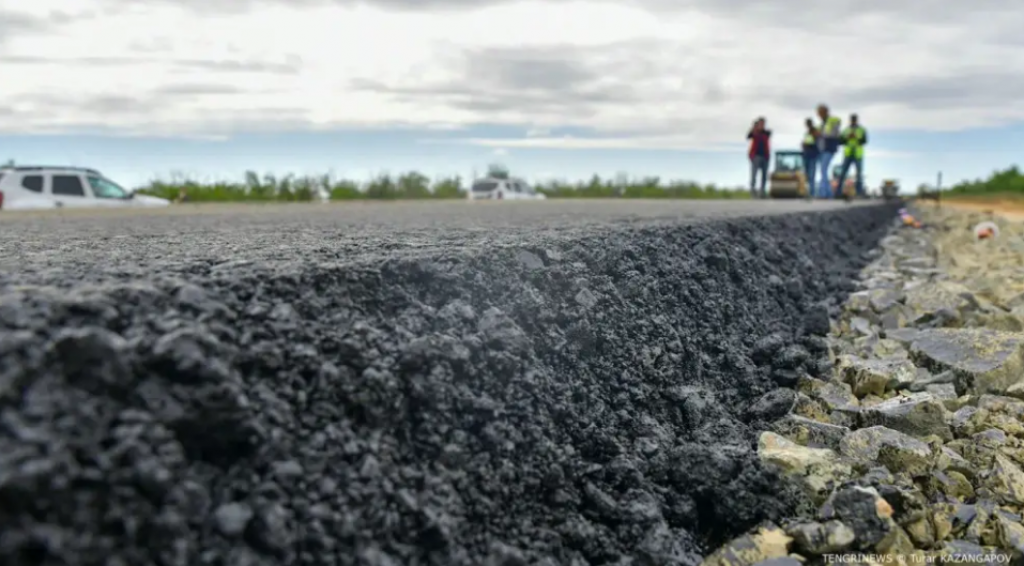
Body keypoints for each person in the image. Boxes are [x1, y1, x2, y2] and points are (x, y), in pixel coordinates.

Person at [835, 113, 868, 199]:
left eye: (854, 119)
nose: (853, 121)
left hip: (858, 154)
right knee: (842, 173)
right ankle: (838, 192)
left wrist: (856, 137)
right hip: (848, 154)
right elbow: (840, 141)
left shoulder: (861, 129)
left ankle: (859, 193)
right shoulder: (846, 130)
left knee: (859, 174)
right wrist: (847, 138)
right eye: (852, 119)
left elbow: (864, 141)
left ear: (856, 120)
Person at [815, 104, 841, 198]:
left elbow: (834, 134)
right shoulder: (822, 124)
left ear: (825, 112)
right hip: (822, 149)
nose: (819, 115)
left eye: (820, 112)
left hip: (829, 148)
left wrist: (821, 134)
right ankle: (827, 193)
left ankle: (825, 193)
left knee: (823, 169)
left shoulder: (833, 121)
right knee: (823, 170)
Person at [747, 117, 771, 198]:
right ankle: (753, 191)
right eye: (760, 124)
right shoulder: (754, 133)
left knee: (764, 175)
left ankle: (762, 192)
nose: (762, 125)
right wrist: (754, 128)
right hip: (756, 156)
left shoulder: (766, 133)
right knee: (754, 174)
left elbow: (769, 134)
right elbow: (748, 136)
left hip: (765, 156)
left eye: (763, 124)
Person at [801, 118, 819, 198]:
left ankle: (812, 193)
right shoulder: (807, 133)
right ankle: (808, 192)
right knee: (807, 175)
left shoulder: (815, 132)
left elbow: (814, 142)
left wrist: (806, 144)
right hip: (806, 155)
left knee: (811, 175)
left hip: (812, 156)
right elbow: (806, 143)